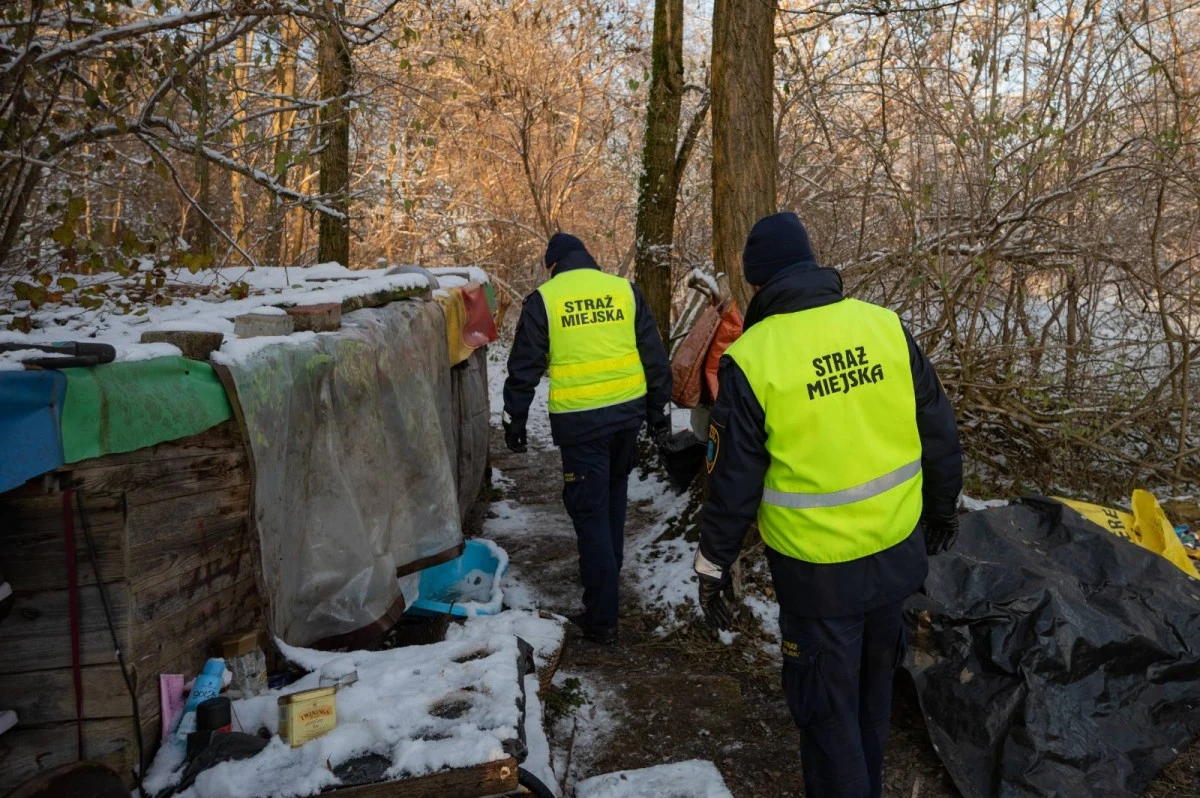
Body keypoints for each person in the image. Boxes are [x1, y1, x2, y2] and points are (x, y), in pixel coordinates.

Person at [693, 212, 962, 798]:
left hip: (818, 582)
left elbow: (733, 482)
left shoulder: (753, 358)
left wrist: (712, 566)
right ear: (813, 264)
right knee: (871, 701)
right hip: (895, 558)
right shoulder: (884, 327)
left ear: (757, 284)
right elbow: (939, 431)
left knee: (826, 717)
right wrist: (941, 513)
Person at [503, 233, 671, 644]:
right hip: (627, 417)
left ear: (554, 265)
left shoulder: (545, 299)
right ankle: (606, 593)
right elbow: (654, 355)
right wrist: (658, 416)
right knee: (613, 500)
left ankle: (601, 616)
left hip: (582, 426)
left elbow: (525, 364)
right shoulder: (624, 291)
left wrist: (515, 420)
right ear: (589, 260)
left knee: (590, 513)